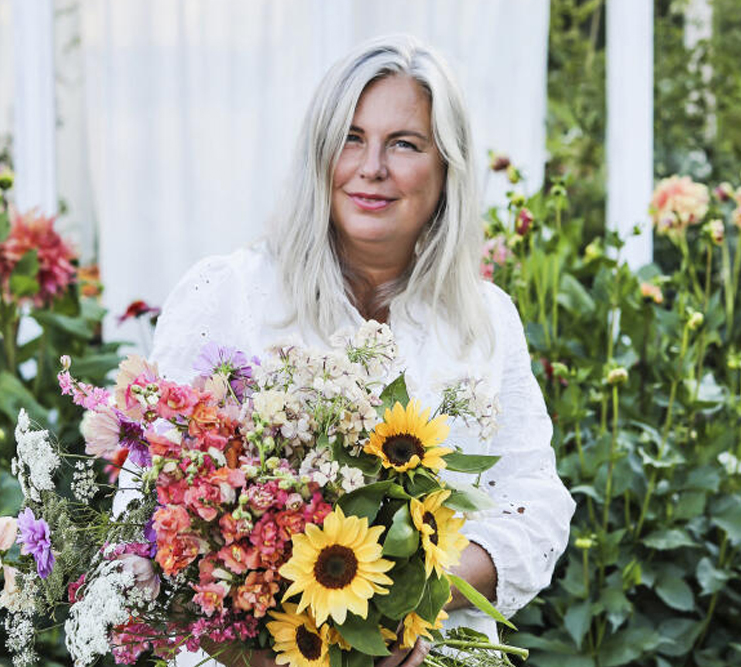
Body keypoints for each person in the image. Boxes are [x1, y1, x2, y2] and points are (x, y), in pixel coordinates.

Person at [150, 33, 575, 667]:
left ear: (447, 166)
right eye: (351, 138)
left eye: (404, 144)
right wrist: (259, 649)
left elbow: (535, 502)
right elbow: (150, 508)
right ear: (318, 154)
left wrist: (414, 598)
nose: (371, 167)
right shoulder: (228, 294)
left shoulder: (484, 319)